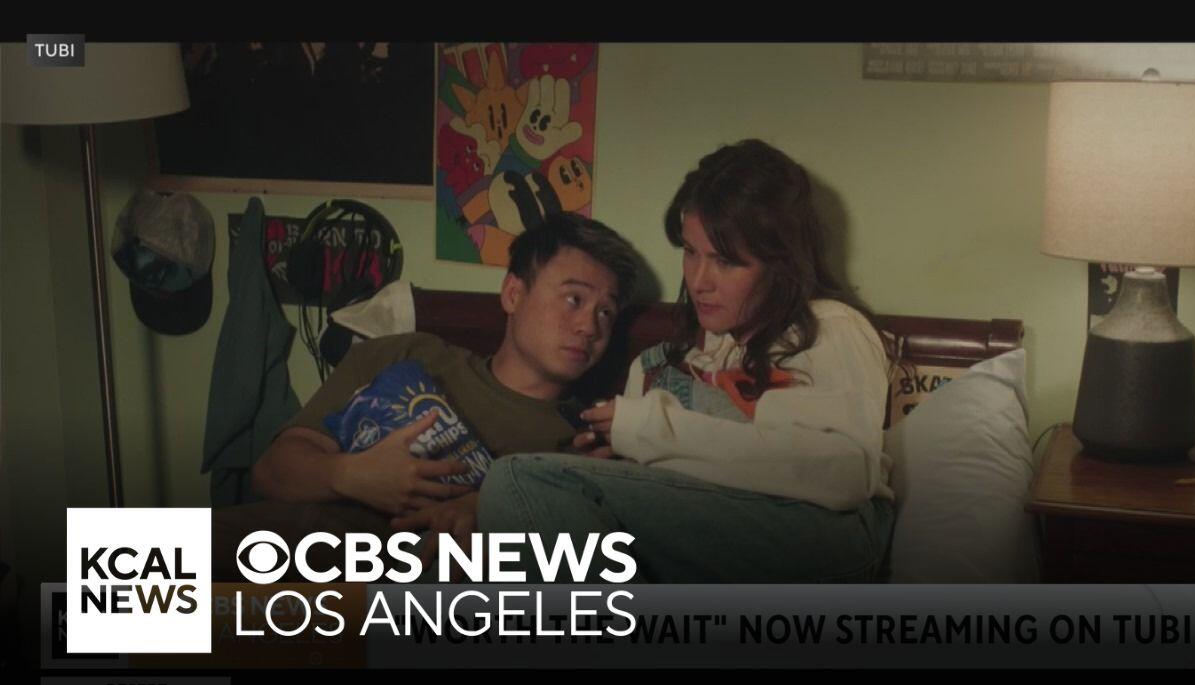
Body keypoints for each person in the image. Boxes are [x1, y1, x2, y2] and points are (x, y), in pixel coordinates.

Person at [478, 139, 897, 583]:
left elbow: (843, 475)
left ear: (780, 264)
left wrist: (652, 430)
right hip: (713, 541)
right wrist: (613, 469)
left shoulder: (829, 326)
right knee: (537, 509)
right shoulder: (659, 365)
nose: (699, 281)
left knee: (519, 481)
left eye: (726, 261)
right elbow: (673, 500)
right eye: (691, 252)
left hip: (826, 535)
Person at [212, 212, 640, 577]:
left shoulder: (583, 444)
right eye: (573, 299)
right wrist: (350, 476)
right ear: (513, 294)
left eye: (606, 311)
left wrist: (490, 507)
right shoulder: (406, 354)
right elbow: (272, 472)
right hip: (280, 552)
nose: (590, 327)